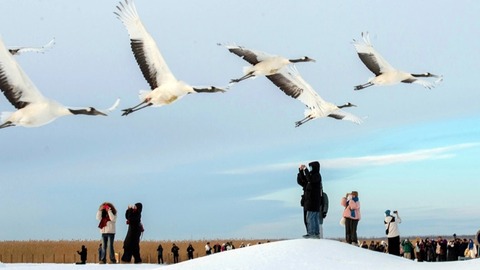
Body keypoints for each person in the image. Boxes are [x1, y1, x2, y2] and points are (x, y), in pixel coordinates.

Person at [297, 161, 323, 238]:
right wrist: (301, 171)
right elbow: (302, 181)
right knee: (310, 218)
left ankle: (313, 233)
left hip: (313, 201)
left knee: (311, 217)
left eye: (311, 167)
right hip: (309, 201)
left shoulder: (316, 176)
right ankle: (313, 232)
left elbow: (310, 179)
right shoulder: (310, 178)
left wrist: (306, 170)